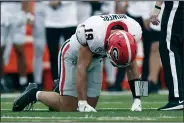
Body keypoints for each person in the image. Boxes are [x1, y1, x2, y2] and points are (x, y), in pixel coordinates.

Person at [12, 14, 144, 112]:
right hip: (73, 56)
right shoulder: (95, 34)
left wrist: (138, 100)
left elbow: (133, 68)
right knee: (69, 107)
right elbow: (81, 68)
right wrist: (81, 102)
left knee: (91, 107)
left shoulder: (133, 30)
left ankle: (60, 89)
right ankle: (34, 93)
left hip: (96, 58)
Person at [150, 1, 184, 110]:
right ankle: (180, 97)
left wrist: (157, 7)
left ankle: (177, 98)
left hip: (175, 7)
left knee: (168, 50)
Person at [0, 1, 33, 92]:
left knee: (19, 49)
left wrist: (26, 13)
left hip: (18, 11)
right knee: (1, 49)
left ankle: (23, 82)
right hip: (3, 10)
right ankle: (1, 82)